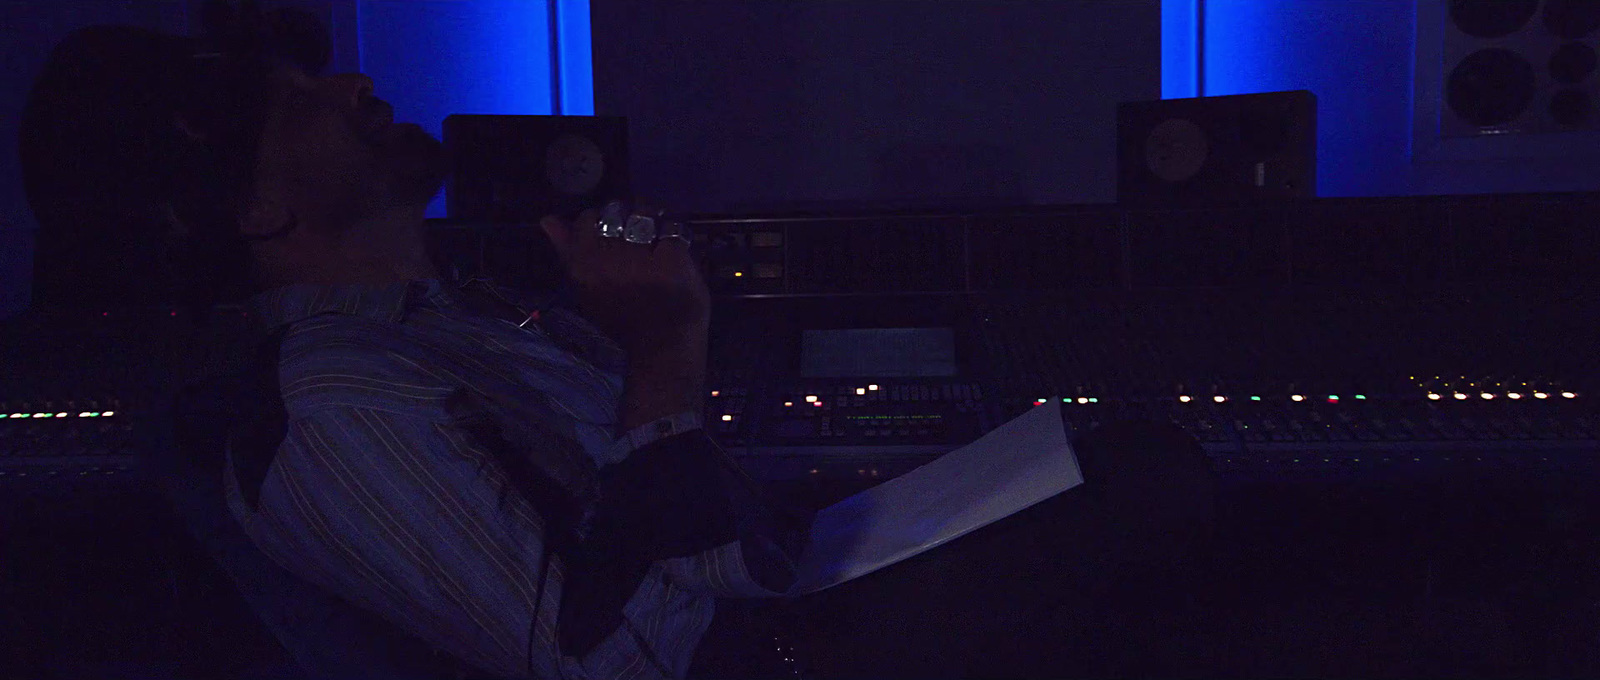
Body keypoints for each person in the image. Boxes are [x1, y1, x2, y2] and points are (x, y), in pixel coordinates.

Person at [20, 14, 1217, 680]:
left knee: (1113, 460)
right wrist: (661, 343)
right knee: (1152, 479)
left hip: (771, 601)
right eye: (302, 102)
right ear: (254, 213)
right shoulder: (336, 396)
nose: (352, 85)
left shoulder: (453, 315)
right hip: (766, 659)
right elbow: (637, 661)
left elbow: (642, 524)